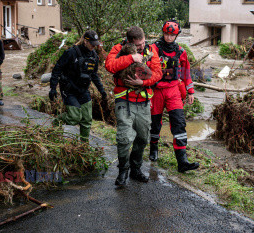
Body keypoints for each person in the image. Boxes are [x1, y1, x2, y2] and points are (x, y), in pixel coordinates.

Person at [105, 26, 162, 187]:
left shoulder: (151, 50)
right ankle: (123, 170)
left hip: (143, 102)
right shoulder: (118, 48)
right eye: (138, 45)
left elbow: (158, 73)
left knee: (143, 138)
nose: (142, 47)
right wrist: (132, 58)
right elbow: (110, 66)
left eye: (143, 43)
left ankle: (136, 169)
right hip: (124, 100)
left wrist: (142, 83)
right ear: (129, 42)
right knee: (124, 138)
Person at [149, 20, 199, 173]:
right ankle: (153, 148)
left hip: (173, 89)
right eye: (166, 34)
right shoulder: (153, 49)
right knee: (155, 122)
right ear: (163, 33)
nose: (169, 37)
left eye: (172, 35)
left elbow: (186, 73)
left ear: (176, 35)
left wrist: (190, 91)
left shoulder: (181, 52)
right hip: (156, 90)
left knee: (179, 122)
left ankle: (182, 161)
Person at [49, 30, 107, 142]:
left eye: (96, 44)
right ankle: (57, 122)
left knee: (87, 119)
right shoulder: (71, 52)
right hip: (69, 89)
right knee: (74, 117)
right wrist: (53, 88)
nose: (94, 47)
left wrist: (102, 90)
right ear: (85, 41)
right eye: (92, 44)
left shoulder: (94, 56)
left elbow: (94, 75)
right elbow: (57, 69)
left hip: (83, 89)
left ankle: (83, 145)